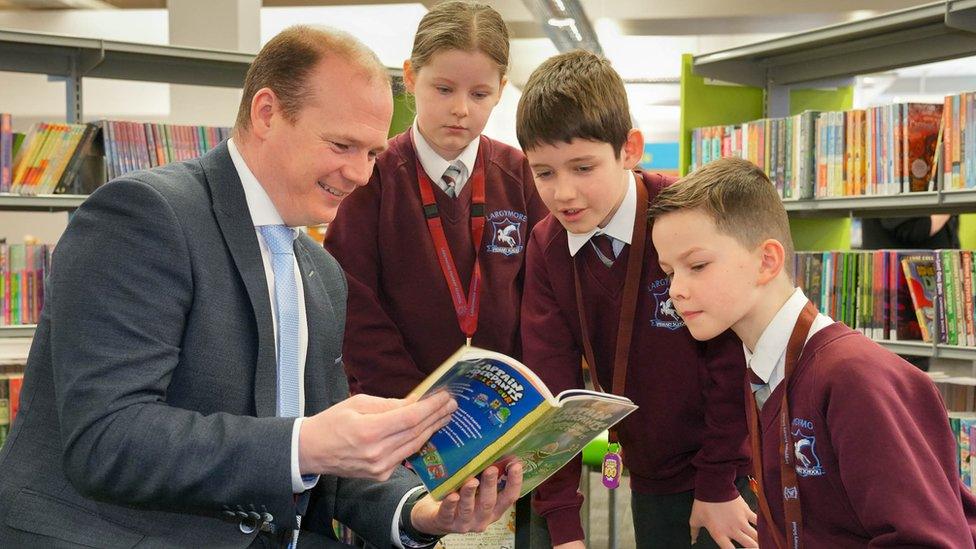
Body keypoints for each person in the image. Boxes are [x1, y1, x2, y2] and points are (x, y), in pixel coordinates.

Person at [0, 26, 521, 548]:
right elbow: (106, 439)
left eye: (371, 153)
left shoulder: (320, 273)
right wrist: (305, 444)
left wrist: (419, 511)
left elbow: (331, 458)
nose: (361, 174)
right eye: (342, 145)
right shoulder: (145, 217)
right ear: (267, 113)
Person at [649, 156, 976, 547]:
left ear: (767, 261)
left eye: (697, 265)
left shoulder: (854, 377)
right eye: (669, 272)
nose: (675, 290)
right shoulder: (762, 368)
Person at [516, 50, 755, 549]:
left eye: (583, 167)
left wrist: (717, 481)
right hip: (651, 476)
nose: (564, 193)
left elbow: (733, 359)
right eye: (544, 173)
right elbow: (552, 387)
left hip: (730, 472)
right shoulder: (546, 245)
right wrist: (563, 527)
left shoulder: (685, 215)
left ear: (630, 149)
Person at [324, 1, 548, 398]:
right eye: (443, 89)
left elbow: (541, 304)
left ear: (500, 89)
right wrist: (415, 406)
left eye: (479, 93)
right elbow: (353, 309)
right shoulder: (369, 179)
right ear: (410, 76)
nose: (460, 109)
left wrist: (517, 401)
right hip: (395, 409)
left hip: (500, 409)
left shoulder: (522, 176)